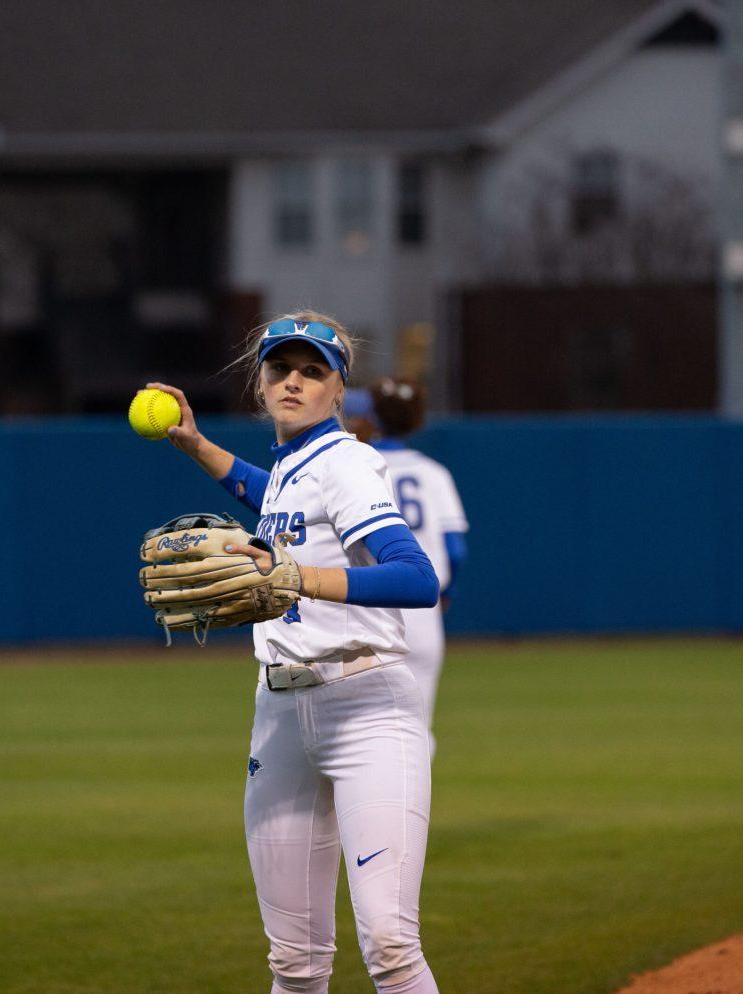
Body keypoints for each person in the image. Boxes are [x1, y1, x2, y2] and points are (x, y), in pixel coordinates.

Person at [147, 312, 442, 994]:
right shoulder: (292, 467)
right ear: (260, 382)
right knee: (294, 962)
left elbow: (417, 577)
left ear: (339, 391)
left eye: (314, 372)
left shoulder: (345, 462)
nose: (294, 381)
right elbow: (265, 493)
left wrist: (298, 577)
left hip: (366, 707)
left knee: (391, 946)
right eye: (281, 369)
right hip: (281, 715)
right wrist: (197, 445)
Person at [365, 377, 469, 757]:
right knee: (416, 731)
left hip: (369, 608)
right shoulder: (435, 474)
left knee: (362, 732)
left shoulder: (357, 470)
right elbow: (455, 550)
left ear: (373, 414)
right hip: (424, 609)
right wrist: (449, 592)